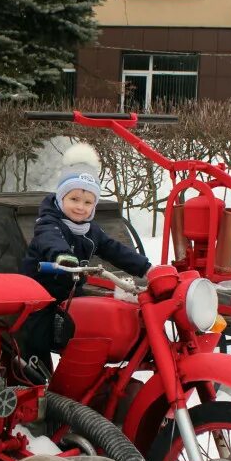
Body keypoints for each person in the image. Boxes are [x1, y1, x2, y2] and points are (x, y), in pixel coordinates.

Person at [18, 156, 150, 372]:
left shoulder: (91, 230)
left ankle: (81, 374)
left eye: (88, 202)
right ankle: (35, 378)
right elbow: (51, 239)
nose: (80, 207)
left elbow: (113, 249)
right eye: (74, 199)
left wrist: (146, 268)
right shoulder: (49, 223)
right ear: (61, 199)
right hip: (39, 291)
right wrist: (62, 256)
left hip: (71, 289)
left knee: (91, 326)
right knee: (36, 335)